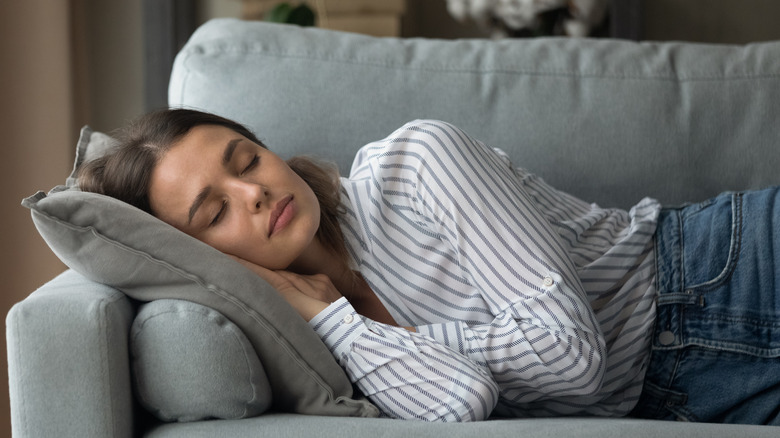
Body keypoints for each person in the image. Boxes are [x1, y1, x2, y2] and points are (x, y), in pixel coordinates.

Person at [78, 109, 780, 425]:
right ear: (205, 255)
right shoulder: (307, 333)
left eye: (246, 160)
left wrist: (392, 339)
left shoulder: (417, 163)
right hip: (692, 395)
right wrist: (332, 320)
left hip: (726, 272)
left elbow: (571, 358)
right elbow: (461, 402)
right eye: (214, 212)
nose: (255, 191)